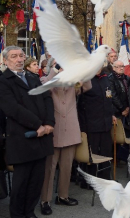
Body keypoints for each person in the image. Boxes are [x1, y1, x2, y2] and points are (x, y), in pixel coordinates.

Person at [0, 46, 54, 218]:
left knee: (36, 181)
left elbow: (47, 99)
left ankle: (29, 212)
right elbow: (12, 108)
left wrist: (49, 123)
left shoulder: (33, 77)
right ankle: (17, 215)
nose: (19, 59)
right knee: (21, 183)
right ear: (5, 61)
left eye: (21, 55)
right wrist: (38, 125)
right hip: (21, 140)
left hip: (41, 139)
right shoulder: (3, 80)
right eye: (14, 56)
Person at [40, 65, 91, 215]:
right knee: (49, 168)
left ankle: (63, 196)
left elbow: (88, 86)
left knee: (67, 167)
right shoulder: (45, 79)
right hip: (53, 131)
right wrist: (55, 70)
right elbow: (44, 87)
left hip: (70, 130)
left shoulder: (72, 82)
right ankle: (45, 200)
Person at [77, 68, 115, 182]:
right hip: (91, 123)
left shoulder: (105, 78)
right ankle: (89, 180)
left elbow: (109, 99)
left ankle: (105, 178)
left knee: (106, 151)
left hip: (105, 123)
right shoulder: (86, 79)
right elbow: (80, 103)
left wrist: (112, 114)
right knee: (91, 153)